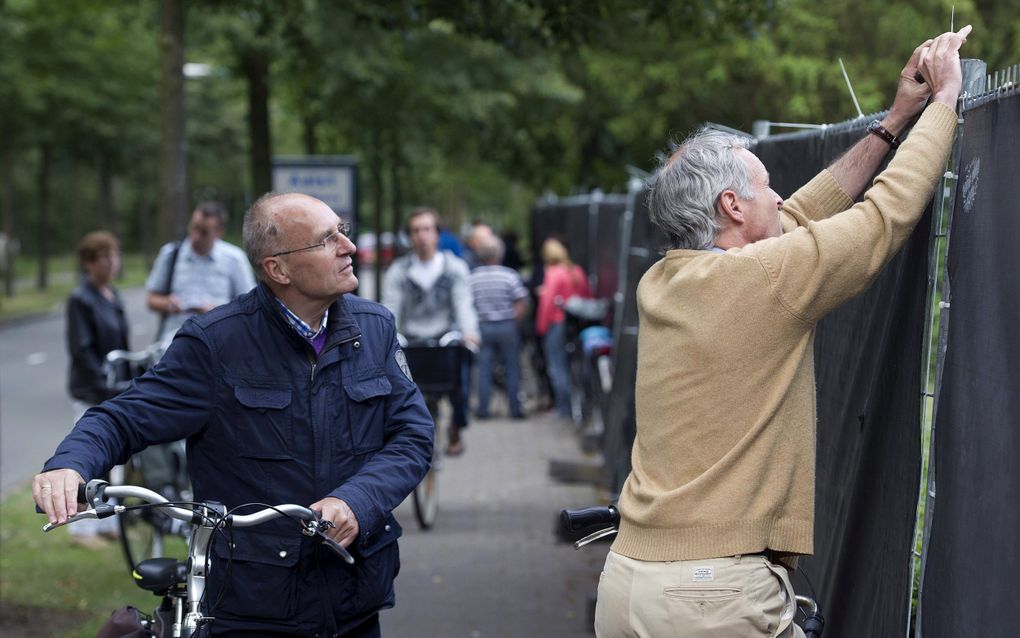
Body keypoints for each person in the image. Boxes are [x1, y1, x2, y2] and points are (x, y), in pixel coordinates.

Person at [594, 28, 971, 638]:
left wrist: (893, 122)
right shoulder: (763, 280)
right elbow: (883, 217)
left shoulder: (666, 282)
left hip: (628, 581)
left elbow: (797, 216)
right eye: (766, 185)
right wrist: (947, 101)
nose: (778, 195)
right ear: (733, 207)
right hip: (710, 599)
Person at [34, 193, 434, 637]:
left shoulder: (374, 327)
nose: (349, 247)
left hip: (353, 603)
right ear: (277, 269)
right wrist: (69, 466)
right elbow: (120, 418)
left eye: (343, 231)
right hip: (254, 608)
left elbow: (412, 436)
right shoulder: (215, 344)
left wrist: (355, 501)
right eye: (327, 240)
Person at [381, 207, 479, 456]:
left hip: (444, 339)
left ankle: (456, 426)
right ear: (409, 236)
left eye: (426, 229)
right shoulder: (399, 271)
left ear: (437, 233)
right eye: (415, 231)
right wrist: (386, 336)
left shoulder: (454, 268)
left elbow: (463, 302)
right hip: (412, 342)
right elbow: (390, 307)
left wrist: (469, 332)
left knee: (461, 381)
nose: (421, 236)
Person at [64, 230, 129, 547]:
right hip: (92, 392)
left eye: (115, 256)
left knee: (112, 462)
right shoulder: (81, 299)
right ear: (90, 263)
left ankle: (107, 522)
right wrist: (105, 387)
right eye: (106, 257)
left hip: (115, 390)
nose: (113, 263)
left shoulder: (112, 295)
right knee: (85, 458)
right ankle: (80, 529)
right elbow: (82, 350)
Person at [146, 200, 256, 340]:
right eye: (194, 227)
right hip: (173, 342)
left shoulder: (234, 259)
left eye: (204, 232)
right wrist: (168, 303)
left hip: (219, 342)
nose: (196, 236)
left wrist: (217, 312)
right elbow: (151, 300)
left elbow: (250, 307)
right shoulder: (171, 254)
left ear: (218, 232)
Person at [469, 234, 529, 420]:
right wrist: (515, 321)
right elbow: (520, 301)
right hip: (506, 326)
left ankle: (483, 409)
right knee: (512, 366)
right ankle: (515, 408)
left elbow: (468, 303)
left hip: (483, 327)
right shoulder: (509, 275)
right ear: (499, 254)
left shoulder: (473, 277)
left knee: (483, 368)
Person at [535, 238, 591, 420]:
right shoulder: (576, 271)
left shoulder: (553, 273)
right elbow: (586, 296)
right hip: (574, 325)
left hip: (556, 324)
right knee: (571, 366)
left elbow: (547, 304)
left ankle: (564, 408)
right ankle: (579, 407)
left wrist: (541, 327)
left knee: (556, 367)